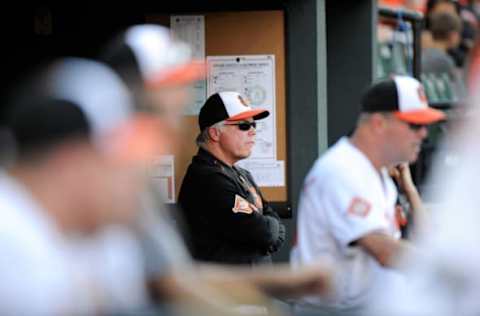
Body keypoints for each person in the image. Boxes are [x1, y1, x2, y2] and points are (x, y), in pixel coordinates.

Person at [0, 58, 162, 315]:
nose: (138, 179)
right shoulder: (10, 245)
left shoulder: (103, 236)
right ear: (70, 162)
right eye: (125, 162)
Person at [290, 75, 446, 315]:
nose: (424, 134)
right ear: (378, 123)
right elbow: (384, 251)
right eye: (415, 125)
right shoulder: (342, 170)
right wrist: (449, 269)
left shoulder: (377, 172)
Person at [177, 91, 285, 265]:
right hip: (225, 290)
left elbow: (274, 223)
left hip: (249, 287)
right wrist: (268, 230)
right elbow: (264, 233)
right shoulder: (208, 179)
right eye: (243, 125)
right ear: (215, 133)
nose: (252, 132)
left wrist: (270, 230)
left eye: (253, 125)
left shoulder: (240, 173)